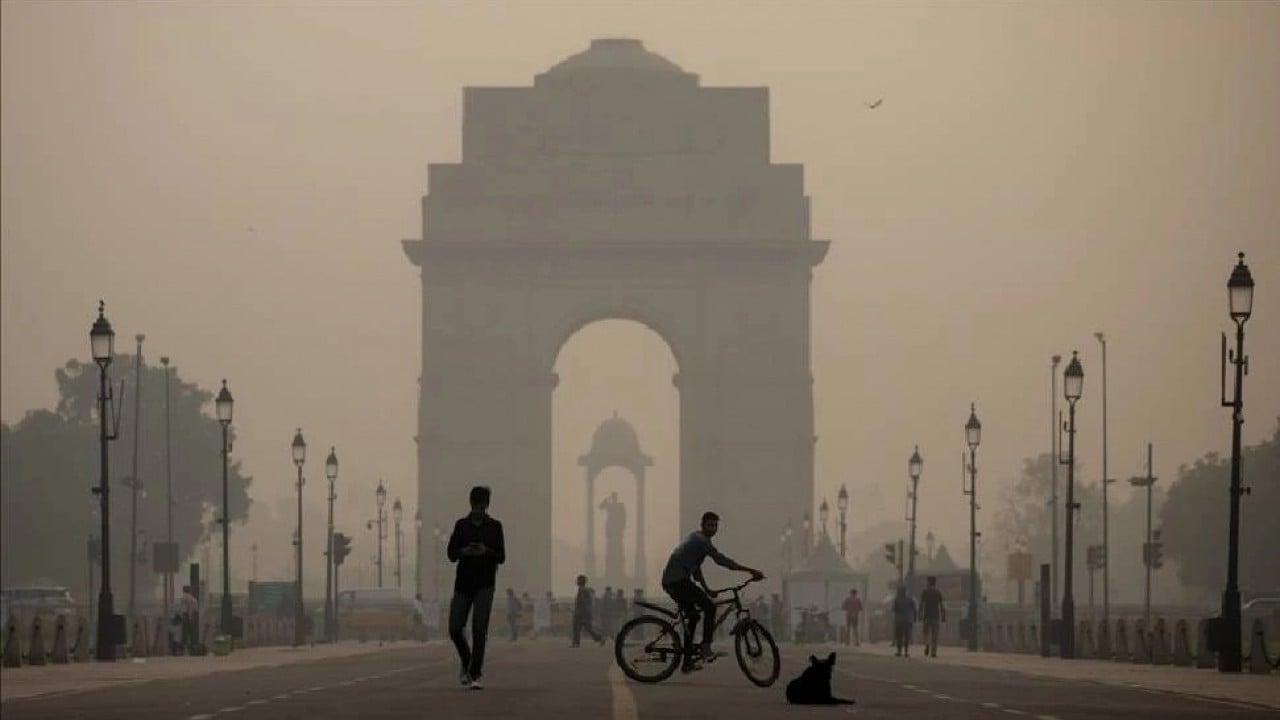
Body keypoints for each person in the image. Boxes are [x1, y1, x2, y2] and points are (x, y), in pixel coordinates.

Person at [660, 511, 765, 672]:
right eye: (710, 525)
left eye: (715, 525)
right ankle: (706, 646)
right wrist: (751, 571)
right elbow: (722, 561)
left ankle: (687, 661)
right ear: (702, 525)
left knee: (693, 616)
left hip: (674, 580)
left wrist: (707, 589)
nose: (713, 528)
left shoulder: (695, 539)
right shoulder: (701, 542)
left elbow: (696, 570)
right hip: (677, 581)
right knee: (710, 607)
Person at [446, 485, 506, 690]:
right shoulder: (461, 525)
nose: (478, 510)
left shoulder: (495, 527)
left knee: (479, 629)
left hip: (485, 584)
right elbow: (451, 554)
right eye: (475, 506)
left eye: (481, 506)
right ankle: (468, 660)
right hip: (463, 583)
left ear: (487, 505)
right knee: (454, 628)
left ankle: (475, 674)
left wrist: (485, 551)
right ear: (470, 505)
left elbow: (501, 557)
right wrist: (465, 551)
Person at [571, 574, 605, 647]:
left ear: (580, 581)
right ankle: (599, 638)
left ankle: (576, 643)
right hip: (585, 612)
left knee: (577, 627)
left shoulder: (582, 589)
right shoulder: (585, 589)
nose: (577, 582)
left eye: (578, 580)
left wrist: (578, 610)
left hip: (581, 612)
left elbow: (582, 601)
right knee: (587, 628)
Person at [919, 576, 946, 658]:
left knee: (925, 633)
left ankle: (927, 644)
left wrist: (920, 614)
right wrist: (943, 615)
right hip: (936, 616)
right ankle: (933, 652)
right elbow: (941, 605)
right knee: (935, 635)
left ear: (928, 582)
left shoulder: (924, 592)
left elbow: (922, 604)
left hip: (926, 616)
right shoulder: (938, 592)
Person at [891, 585, 916, 657]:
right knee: (907, 636)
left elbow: (894, 610)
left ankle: (899, 651)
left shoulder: (897, 600)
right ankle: (906, 651)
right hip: (907, 620)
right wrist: (914, 618)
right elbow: (914, 609)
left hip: (899, 620)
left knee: (899, 636)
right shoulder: (910, 600)